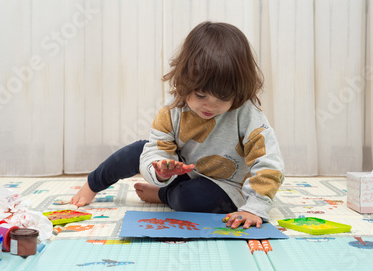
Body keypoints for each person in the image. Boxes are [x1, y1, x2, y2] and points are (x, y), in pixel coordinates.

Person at [71, 21, 284, 229]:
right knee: (138, 150)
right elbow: (156, 151)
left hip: (225, 186)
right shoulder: (172, 111)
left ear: (238, 90)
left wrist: (254, 208)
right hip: (182, 172)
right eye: (201, 95)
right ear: (184, 81)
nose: (210, 105)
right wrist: (162, 171)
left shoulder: (247, 114)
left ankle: (162, 195)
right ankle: (92, 185)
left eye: (222, 98)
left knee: (191, 198)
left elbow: (269, 162)